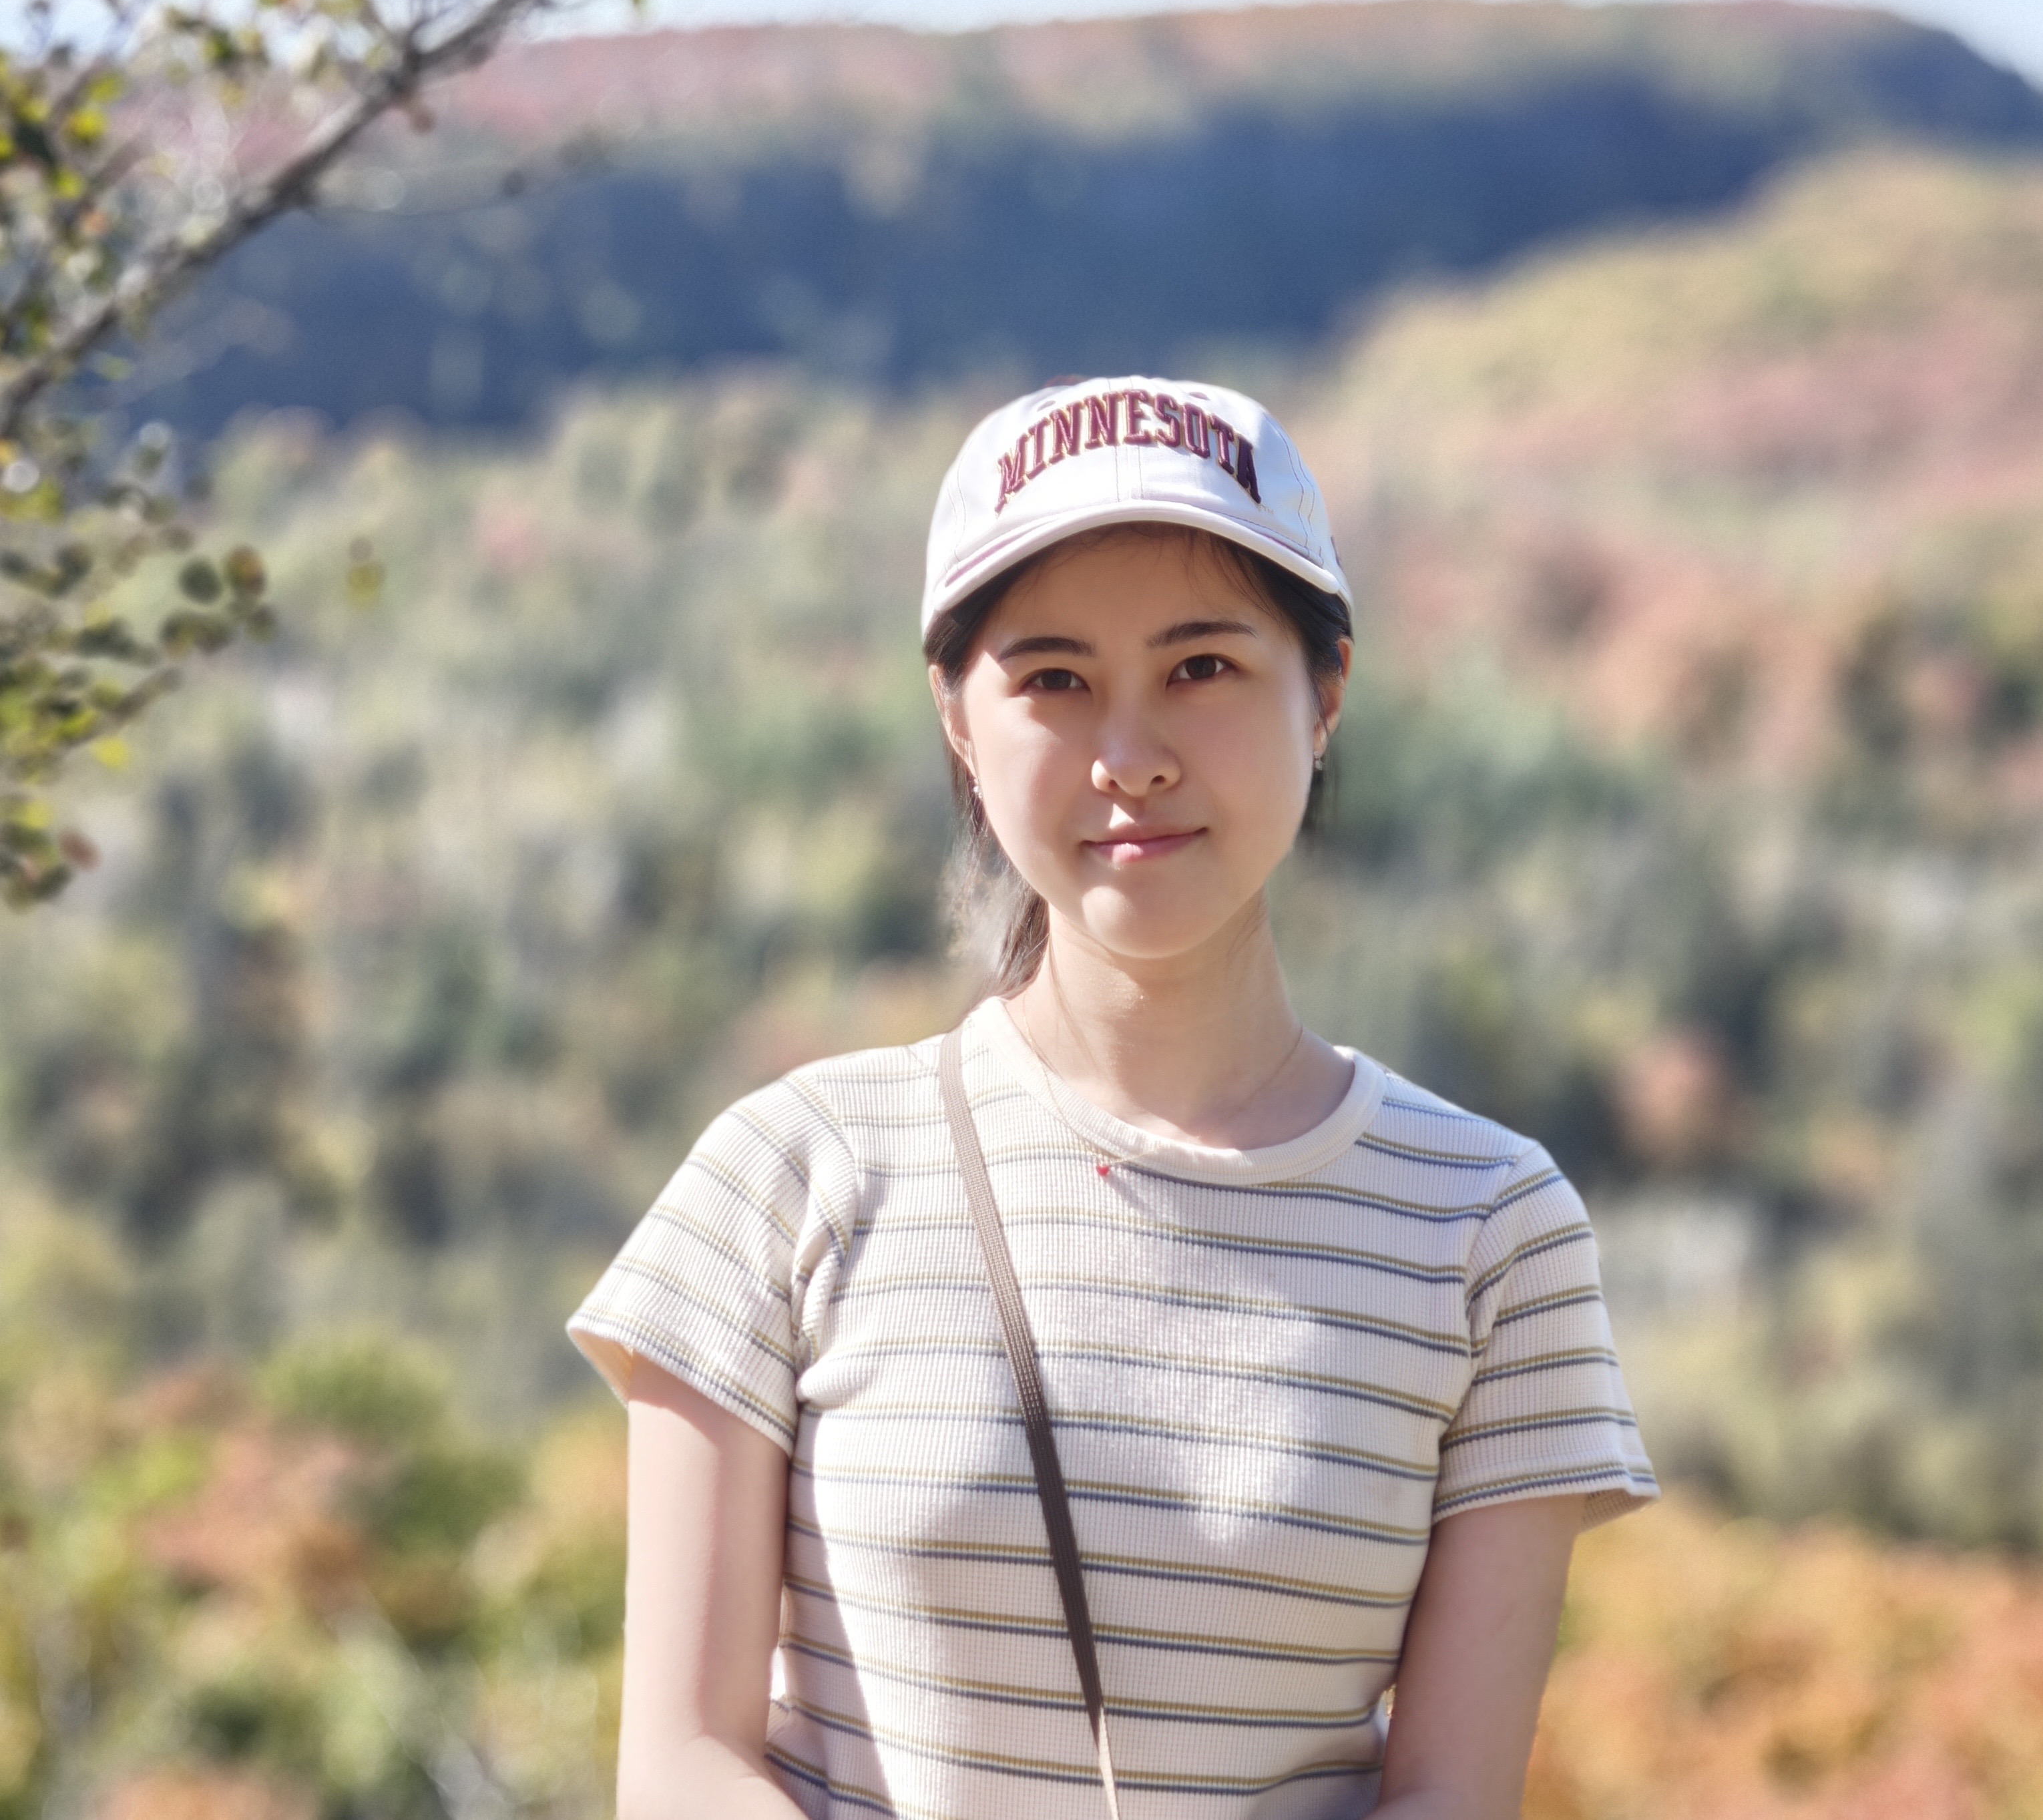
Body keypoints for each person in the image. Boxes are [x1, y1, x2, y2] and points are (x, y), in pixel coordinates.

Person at [569, 375, 1658, 1820]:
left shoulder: (1490, 1232)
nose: (1130, 755)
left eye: (1203, 667)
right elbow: (680, 1768)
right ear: (960, 721)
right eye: (1054, 680)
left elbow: (1449, 1797)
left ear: (1325, 693)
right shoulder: (787, 1178)